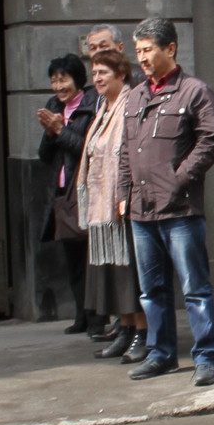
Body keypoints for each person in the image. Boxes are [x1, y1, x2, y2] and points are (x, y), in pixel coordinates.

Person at [120, 18, 214, 387]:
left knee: (195, 287)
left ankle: (207, 356)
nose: (143, 58)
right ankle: (160, 354)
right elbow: (125, 151)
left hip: (180, 210)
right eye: (139, 52)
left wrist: (179, 179)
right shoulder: (134, 95)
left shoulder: (194, 91)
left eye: (148, 50)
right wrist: (123, 194)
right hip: (141, 210)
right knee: (152, 289)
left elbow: (211, 141)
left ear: (170, 49)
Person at [76, 48, 146, 361]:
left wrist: (123, 194)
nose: (97, 79)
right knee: (114, 276)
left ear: (120, 73)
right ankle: (127, 331)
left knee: (130, 277)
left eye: (103, 72)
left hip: (123, 203)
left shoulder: (131, 102)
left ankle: (143, 335)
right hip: (102, 207)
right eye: (94, 74)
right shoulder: (104, 107)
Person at [34, 54, 97, 333]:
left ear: (78, 80)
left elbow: (88, 150)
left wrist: (60, 130)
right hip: (61, 193)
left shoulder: (90, 106)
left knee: (90, 259)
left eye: (64, 79)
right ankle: (81, 317)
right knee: (71, 257)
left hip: (85, 190)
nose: (59, 86)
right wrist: (50, 134)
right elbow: (45, 156)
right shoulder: (53, 107)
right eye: (54, 80)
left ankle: (97, 319)